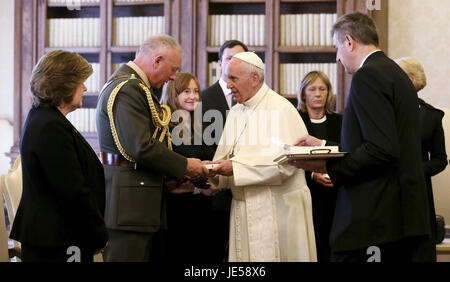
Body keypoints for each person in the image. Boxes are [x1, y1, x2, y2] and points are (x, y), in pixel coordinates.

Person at [289, 12, 432, 262]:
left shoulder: (368, 75)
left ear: (349, 42)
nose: (337, 57)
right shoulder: (394, 73)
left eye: (337, 48)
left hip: (374, 219)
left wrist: (326, 163)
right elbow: (381, 141)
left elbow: (381, 150)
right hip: (399, 217)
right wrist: (324, 145)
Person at [96, 35, 209, 262]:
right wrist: (186, 165)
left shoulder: (136, 86)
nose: (174, 77)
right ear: (157, 60)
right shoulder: (129, 88)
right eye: (173, 69)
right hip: (129, 205)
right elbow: (141, 147)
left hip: (137, 200)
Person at [207, 52, 317, 262]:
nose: (228, 85)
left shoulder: (281, 109)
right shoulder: (237, 111)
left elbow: (286, 164)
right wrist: (211, 174)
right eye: (227, 78)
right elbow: (225, 158)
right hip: (243, 208)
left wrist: (234, 168)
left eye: (233, 78)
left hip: (279, 211)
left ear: (254, 79)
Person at [10, 50, 108, 262]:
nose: (85, 87)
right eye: (81, 82)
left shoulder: (46, 118)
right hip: (57, 240)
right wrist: (98, 233)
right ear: (64, 85)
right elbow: (72, 191)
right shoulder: (50, 125)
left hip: (58, 236)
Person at [160, 72, 216, 261]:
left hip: (202, 205)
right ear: (173, 94)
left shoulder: (200, 124)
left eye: (196, 91)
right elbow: (162, 165)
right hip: (176, 207)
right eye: (186, 91)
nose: (193, 96)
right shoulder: (164, 126)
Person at [201, 40, 248, 262]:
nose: (234, 64)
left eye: (240, 59)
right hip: (214, 187)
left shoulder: (253, 99)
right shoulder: (203, 97)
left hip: (247, 185)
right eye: (230, 59)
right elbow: (202, 143)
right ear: (220, 63)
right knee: (214, 250)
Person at [396, 57, 448, 260]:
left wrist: (416, 170)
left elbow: (440, 159)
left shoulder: (431, 116)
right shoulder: (384, 112)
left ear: (409, 79)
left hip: (417, 193)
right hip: (387, 191)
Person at [297, 71, 342, 262]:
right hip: (305, 195)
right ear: (303, 93)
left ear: (329, 93)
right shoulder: (296, 120)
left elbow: (346, 152)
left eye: (322, 89)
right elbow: (289, 158)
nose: (318, 94)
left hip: (336, 194)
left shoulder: (339, 121)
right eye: (312, 89)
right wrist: (312, 175)